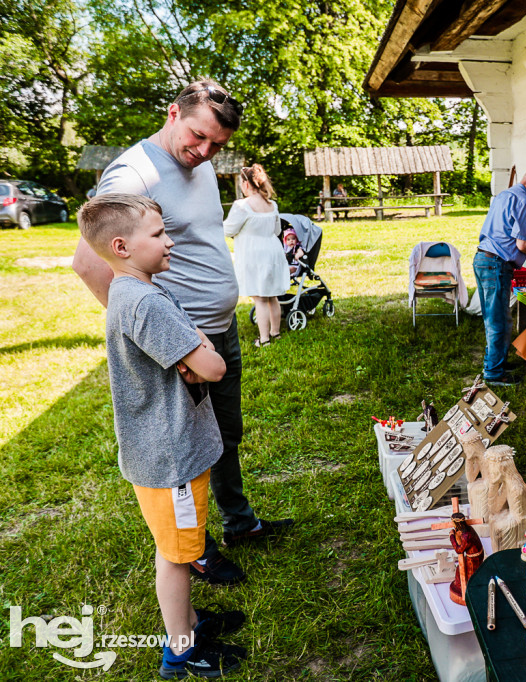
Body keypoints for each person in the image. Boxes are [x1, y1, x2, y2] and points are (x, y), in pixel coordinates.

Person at [72, 80, 292, 586]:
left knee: (224, 436)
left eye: (218, 145)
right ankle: (197, 548)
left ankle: (239, 523)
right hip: (185, 347)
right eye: (198, 137)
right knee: (186, 450)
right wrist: (163, 343)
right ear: (173, 113)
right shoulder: (134, 172)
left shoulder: (202, 163)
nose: (205, 151)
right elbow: (90, 261)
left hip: (218, 331)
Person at [77, 194, 246, 677]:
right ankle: (181, 650)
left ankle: (189, 621)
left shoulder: (131, 289)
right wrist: (201, 357)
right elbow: (211, 365)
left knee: (172, 543)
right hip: (172, 456)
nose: (169, 241)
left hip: (163, 451)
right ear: (121, 246)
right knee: (177, 557)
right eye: (157, 234)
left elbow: (197, 353)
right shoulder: (146, 302)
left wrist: (196, 354)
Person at [473, 168, 526, 386]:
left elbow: (508, 233)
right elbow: (522, 244)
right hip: (497, 264)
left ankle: (496, 363)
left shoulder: (504, 195)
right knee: (499, 321)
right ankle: (494, 373)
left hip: (482, 258)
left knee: (493, 317)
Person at [224, 164, 289, 347]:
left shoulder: (242, 206)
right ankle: (275, 333)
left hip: (254, 253)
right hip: (273, 251)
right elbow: (277, 230)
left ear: (245, 184)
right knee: (272, 296)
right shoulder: (272, 204)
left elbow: (228, 229)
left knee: (260, 298)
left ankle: (264, 339)